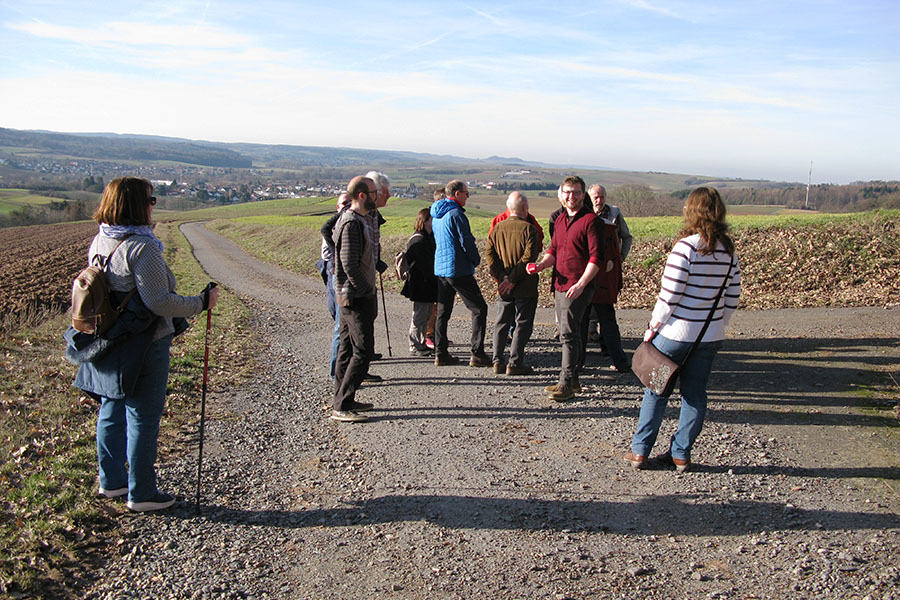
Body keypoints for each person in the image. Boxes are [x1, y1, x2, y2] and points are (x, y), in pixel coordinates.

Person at [71, 176, 219, 511]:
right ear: (137, 205)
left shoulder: (100, 240)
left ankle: (112, 482)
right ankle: (142, 492)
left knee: (111, 406)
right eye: (151, 200)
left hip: (110, 338)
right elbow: (159, 302)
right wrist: (200, 303)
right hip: (145, 342)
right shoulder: (143, 247)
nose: (154, 205)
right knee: (143, 415)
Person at [624, 186, 741, 472]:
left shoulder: (685, 247)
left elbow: (669, 296)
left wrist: (652, 328)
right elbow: (733, 297)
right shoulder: (729, 252)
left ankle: (640, 451)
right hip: (710, 336)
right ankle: (680, 454)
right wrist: (716, 325)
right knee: (695, 395)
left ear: (691, 210)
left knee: (656, 390)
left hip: (675, 335)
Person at [526, 175, 603, 401]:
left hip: (577, 285)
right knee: (574, 331)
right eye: (568, 192)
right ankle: (574, 378)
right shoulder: (559, 220)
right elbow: (555, 249)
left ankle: (566, 383)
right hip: (560, 282)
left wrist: (581, 284)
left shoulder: (590, 221)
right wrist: (541, 265)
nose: (571, 197)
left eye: (576, 192)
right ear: (561, 194)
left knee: (567, 334)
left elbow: (596, 258)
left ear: (583, 195)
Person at [331, 176, 380, 423]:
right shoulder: (351, 223)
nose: (377, 195)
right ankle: (342, 404)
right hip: (355, 296)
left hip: (353, 295)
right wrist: (366, 290)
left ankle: (343, 398)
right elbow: (349, 264)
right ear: (362, 195)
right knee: (362, 351)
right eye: (373, 191)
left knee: (347, 349)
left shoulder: (358, 219)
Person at [431, 180, 490, 367]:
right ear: (457, 193)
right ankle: (477, 353)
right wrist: (475, 259)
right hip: (458, 268)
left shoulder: (437, 214)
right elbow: (466, 241)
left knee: (443, 311)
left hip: (441, 268)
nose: (468, 196)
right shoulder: (456, 214)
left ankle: (440, 353)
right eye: (466, 192)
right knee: (479, 308)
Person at [485, 192, 540, 375]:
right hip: (525, 285)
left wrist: (503, 278)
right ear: (525, 208)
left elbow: (490, 256)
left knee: (501, 322)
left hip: (504, 287)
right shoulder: (530, 229)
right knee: (522, 323)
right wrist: (513, 279)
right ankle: (515, 362)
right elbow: (529, 258)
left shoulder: (497, 228)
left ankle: (497, 360)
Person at [319, 193, 351, 379]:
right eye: (343, 203)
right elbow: (326, 255)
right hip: (337, 277)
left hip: (342, 276)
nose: (347, 206)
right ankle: (336, 373)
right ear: (337, 206)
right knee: (341, 326)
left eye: (349, 202)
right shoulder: (332, 227)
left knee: (349, 325)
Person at [401, 208, 439, 356]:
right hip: (421, 284)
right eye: (432, 219)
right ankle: (415, 345)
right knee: (420, 315)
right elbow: (422, 265)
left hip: (427, 284)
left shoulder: (427, 237)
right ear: (426, 221)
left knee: (426, 314)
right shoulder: (419, 239)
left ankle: (420, 342)